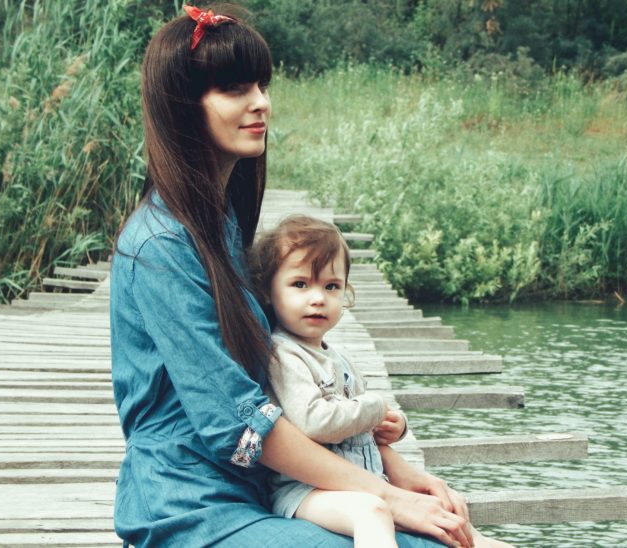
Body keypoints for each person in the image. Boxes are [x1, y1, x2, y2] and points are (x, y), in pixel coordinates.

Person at [110, 4, 480, 547]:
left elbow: (288, 388)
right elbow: (237, 421)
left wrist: (393, 471)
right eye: (236, 88)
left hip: (268, 491)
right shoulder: (160, 247)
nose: (261, 102)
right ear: (184, 107)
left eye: (262, 84)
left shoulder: (223, 224)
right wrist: (388, 498)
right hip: (190, 509)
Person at [249, 216, 514, 548]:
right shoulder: (284, 355)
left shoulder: (339, 358)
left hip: (363, 479)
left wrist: (395, 424)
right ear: (268, 290)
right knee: (372, 511)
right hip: (306, 492)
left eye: (331, 286)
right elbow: (315, 421)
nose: (318, 298)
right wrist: (374, 407)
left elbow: (366, 425)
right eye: (300, 284)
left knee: (452, 517)